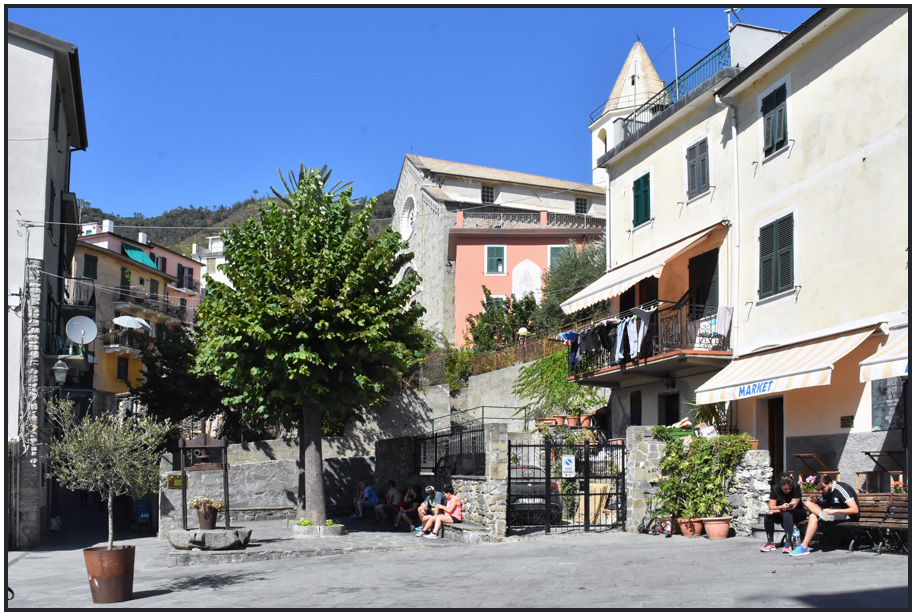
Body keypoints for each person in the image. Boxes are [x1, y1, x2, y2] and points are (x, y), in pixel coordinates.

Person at [790, 474, 859, 556]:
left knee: (813, 515)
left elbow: (855, 510)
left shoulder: (841, 489)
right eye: (819, 489)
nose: (821, 491)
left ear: (830, 483)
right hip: (829, 513)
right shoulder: (826, 491)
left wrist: (834, 511)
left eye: (822, 488)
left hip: (846, 515)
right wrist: (818, 502)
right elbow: (828, 505)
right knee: (808, 504)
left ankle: (804, 546)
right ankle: (804, 545)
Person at [760, 472, 805, 553]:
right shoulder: (775, 488)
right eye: (785, 489)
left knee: (787, 513)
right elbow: (771, 506)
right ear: (780, 486)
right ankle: (770, 542)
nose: (788, 490)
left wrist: (776, 510)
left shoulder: (796, 487)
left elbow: (792, 507)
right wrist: (780, 507)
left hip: (797, 512)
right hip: (781, 512)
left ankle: (788, 542)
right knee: (768, 515)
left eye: (789, 488)